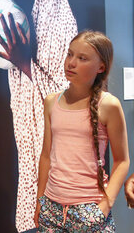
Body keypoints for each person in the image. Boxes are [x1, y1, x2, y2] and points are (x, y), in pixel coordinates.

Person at [0, 0, 78, 231]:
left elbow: (67, 99)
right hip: (31, 156)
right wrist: (14, 60)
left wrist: (23, 63)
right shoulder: (34, 10)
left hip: (57, 158)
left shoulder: (65, 22)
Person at [34, 30, 129, 232]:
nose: (71, 62)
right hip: (51, 208)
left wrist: (105, 205)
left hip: (89, 208)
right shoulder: (52, 101)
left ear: (101, 67)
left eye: (82, 58)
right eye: (70, 54)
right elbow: (46, 156)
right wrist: (40, 200)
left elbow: (122, 161)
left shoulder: (109, 104)